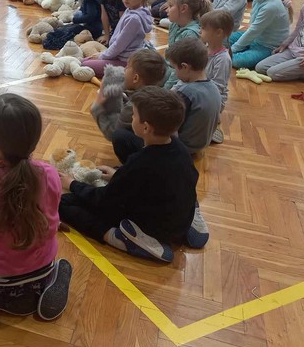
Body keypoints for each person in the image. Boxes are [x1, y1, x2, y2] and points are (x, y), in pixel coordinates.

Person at [0, 94, 72, 319]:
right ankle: (46, 283)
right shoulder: (49, 175)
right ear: (34, 139)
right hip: (40, 271)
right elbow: (52, 213)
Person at [59, 86, 200, 263]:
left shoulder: (140, 163)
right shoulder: (180, 148)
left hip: (155, 228)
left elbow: (104, 199)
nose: (131, 118)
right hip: (180, 217)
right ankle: (192, 219)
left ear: (146, 127)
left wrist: (72, 184)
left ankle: (119, 238)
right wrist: (119, 175)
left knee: (63, 203)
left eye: (134, 115)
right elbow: (156, 179)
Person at [91, 48, 167, 144]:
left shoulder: (133, 107)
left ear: (135, 78)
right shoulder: (159, 92)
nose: (124, 69)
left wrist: (96, 108)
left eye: (127, 67)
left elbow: (112, 134)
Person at [82, 0, 153, 77]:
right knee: (84, 61)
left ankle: (128, 72)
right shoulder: (130, 9)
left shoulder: (134, 19)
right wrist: (104, 54)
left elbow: (119, 46)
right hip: (119, 55)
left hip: (126, 61)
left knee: (85, 65)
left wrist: (102, 56)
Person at [165, 38, 222, 153]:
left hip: (184, 147)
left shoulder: (186, 93)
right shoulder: (214, 87)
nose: (174, 72)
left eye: (175, 68)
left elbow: (171, 124)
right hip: (202, 142)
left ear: (185, 67)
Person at [230, 0, 290, 70]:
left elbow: (253, 31)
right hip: (256, 39)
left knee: (237, 61)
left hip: (267, 46)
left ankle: (230, 54)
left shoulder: (270, 7)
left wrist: (233, 49)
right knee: (224, 38)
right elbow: (252, 31)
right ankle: (238, 51)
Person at [162, 0, 210, 89]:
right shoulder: (174, 25)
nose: (166, 10)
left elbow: (181, 70)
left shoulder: (190, 34)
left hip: (181, 78)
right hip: (171, 68)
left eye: (170, 6)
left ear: (183, 8)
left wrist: (165, 90)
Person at [200, 10, 234, 144]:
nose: (200, 31)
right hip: (202, 88)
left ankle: (211, 124)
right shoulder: (204, 48)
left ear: (218, 33)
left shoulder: (223, 59)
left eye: (204, 28)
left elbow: (218, 88)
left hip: (214, 97)